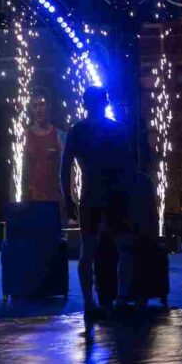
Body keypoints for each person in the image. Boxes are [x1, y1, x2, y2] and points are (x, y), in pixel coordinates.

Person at [61, 86, 135, 322]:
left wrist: (68, 198)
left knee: (89, 250)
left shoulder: (79, 130)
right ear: (106, 103)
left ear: (85, 104)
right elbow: (128, 167)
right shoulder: (116, 129)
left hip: (93, 195)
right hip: (113, 194)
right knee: (122, 249)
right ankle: (119, 299)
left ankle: (90, 302)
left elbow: (65, 167)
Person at [22, 88, 66, 208]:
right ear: (31, 109)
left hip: (55, 202)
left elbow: (67, 172)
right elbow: (21, 173)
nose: (38, 110)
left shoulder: (59, 136)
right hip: (31, 202)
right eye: (35, 106)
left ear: (49, 106)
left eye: (42, 105)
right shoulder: (25, 136)